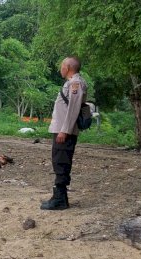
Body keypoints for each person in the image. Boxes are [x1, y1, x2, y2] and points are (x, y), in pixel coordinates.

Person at [41, 57, 87, 211]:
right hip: (61, 130)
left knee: (61, 162)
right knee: (58, 161)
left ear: (67, 67)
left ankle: (60, 199)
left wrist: (64, 130)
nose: (60, 69)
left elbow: (73, 109)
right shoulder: (71, 82)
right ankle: (58, 196)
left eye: (62, 66)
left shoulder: (76, 83)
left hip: (64, 131)